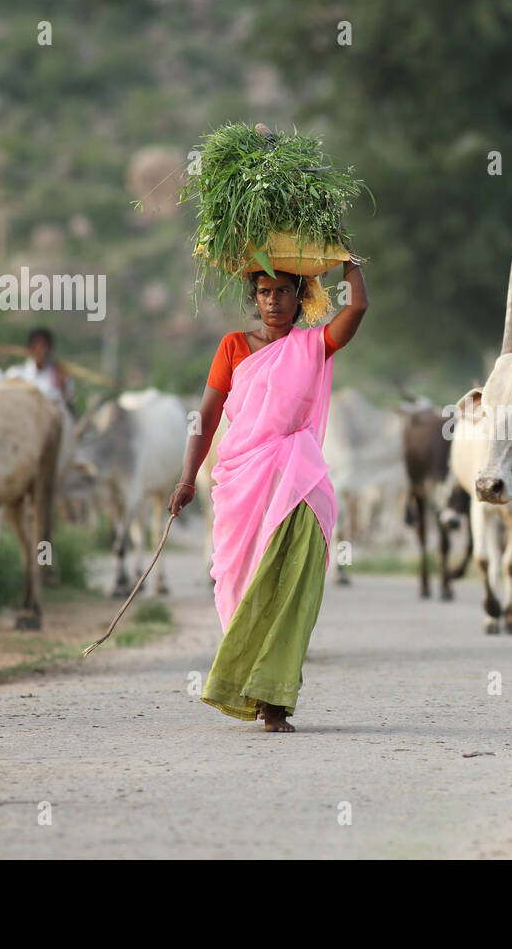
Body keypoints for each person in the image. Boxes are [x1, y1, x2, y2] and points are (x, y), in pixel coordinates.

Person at [170, 258, 368, 732]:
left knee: (288, 589)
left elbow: (358, 305)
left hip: (298, 480)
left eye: (283, 291)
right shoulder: (234, 347)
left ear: (300, 298)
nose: (273, 300)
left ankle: (274, 701)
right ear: (254, 298)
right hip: (241, 482)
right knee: (237, 585)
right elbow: (207, 414)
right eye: (264, 292)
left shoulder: (313, 345)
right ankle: (249, 685)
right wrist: (185, 478)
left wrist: (348, 263)